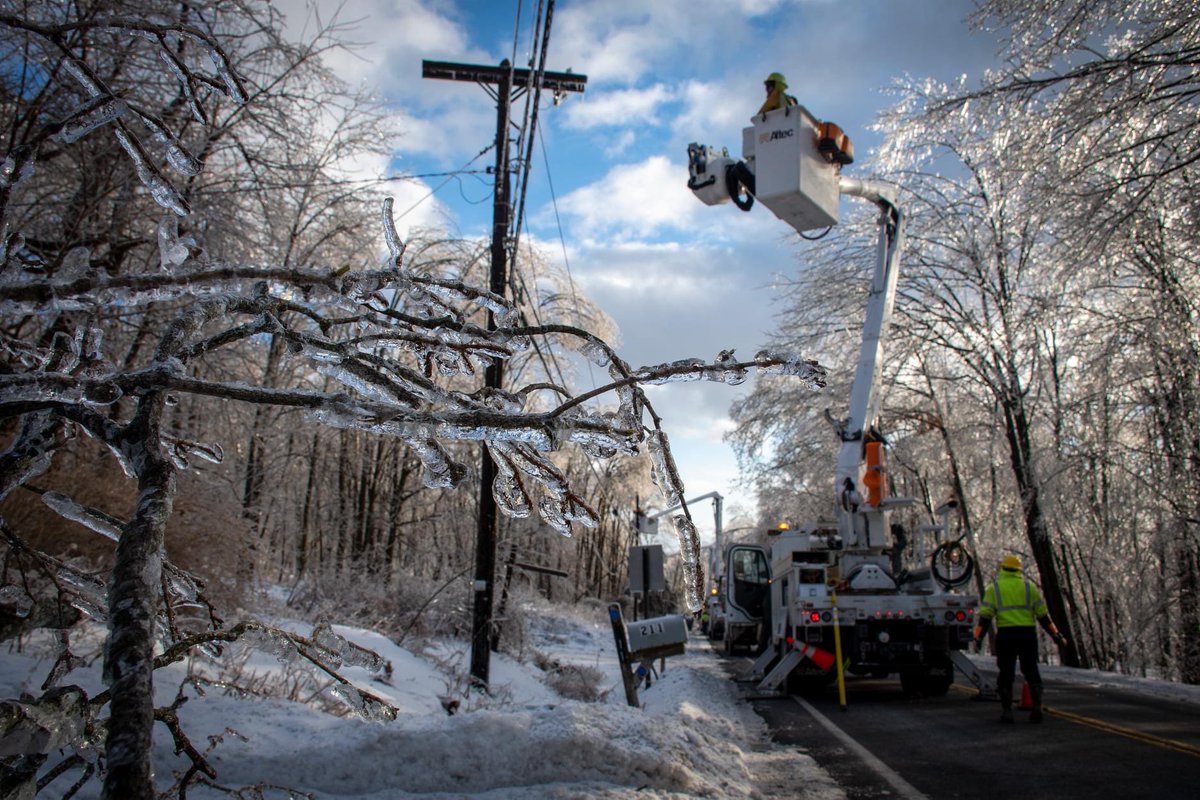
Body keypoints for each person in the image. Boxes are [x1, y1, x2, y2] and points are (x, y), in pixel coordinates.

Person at [974, 554, 1068, 723]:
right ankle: (1037, 706)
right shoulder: (1029, 587)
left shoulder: (993, 589)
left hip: (1006, 635)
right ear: (1019, 570)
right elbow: (1043, 616)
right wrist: (1055, 634)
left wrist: (978, 636)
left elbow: (985, 617)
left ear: (1002, 569)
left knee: (1006, 672)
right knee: (1031, 669)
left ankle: (1007, 711)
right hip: (1027, 633)